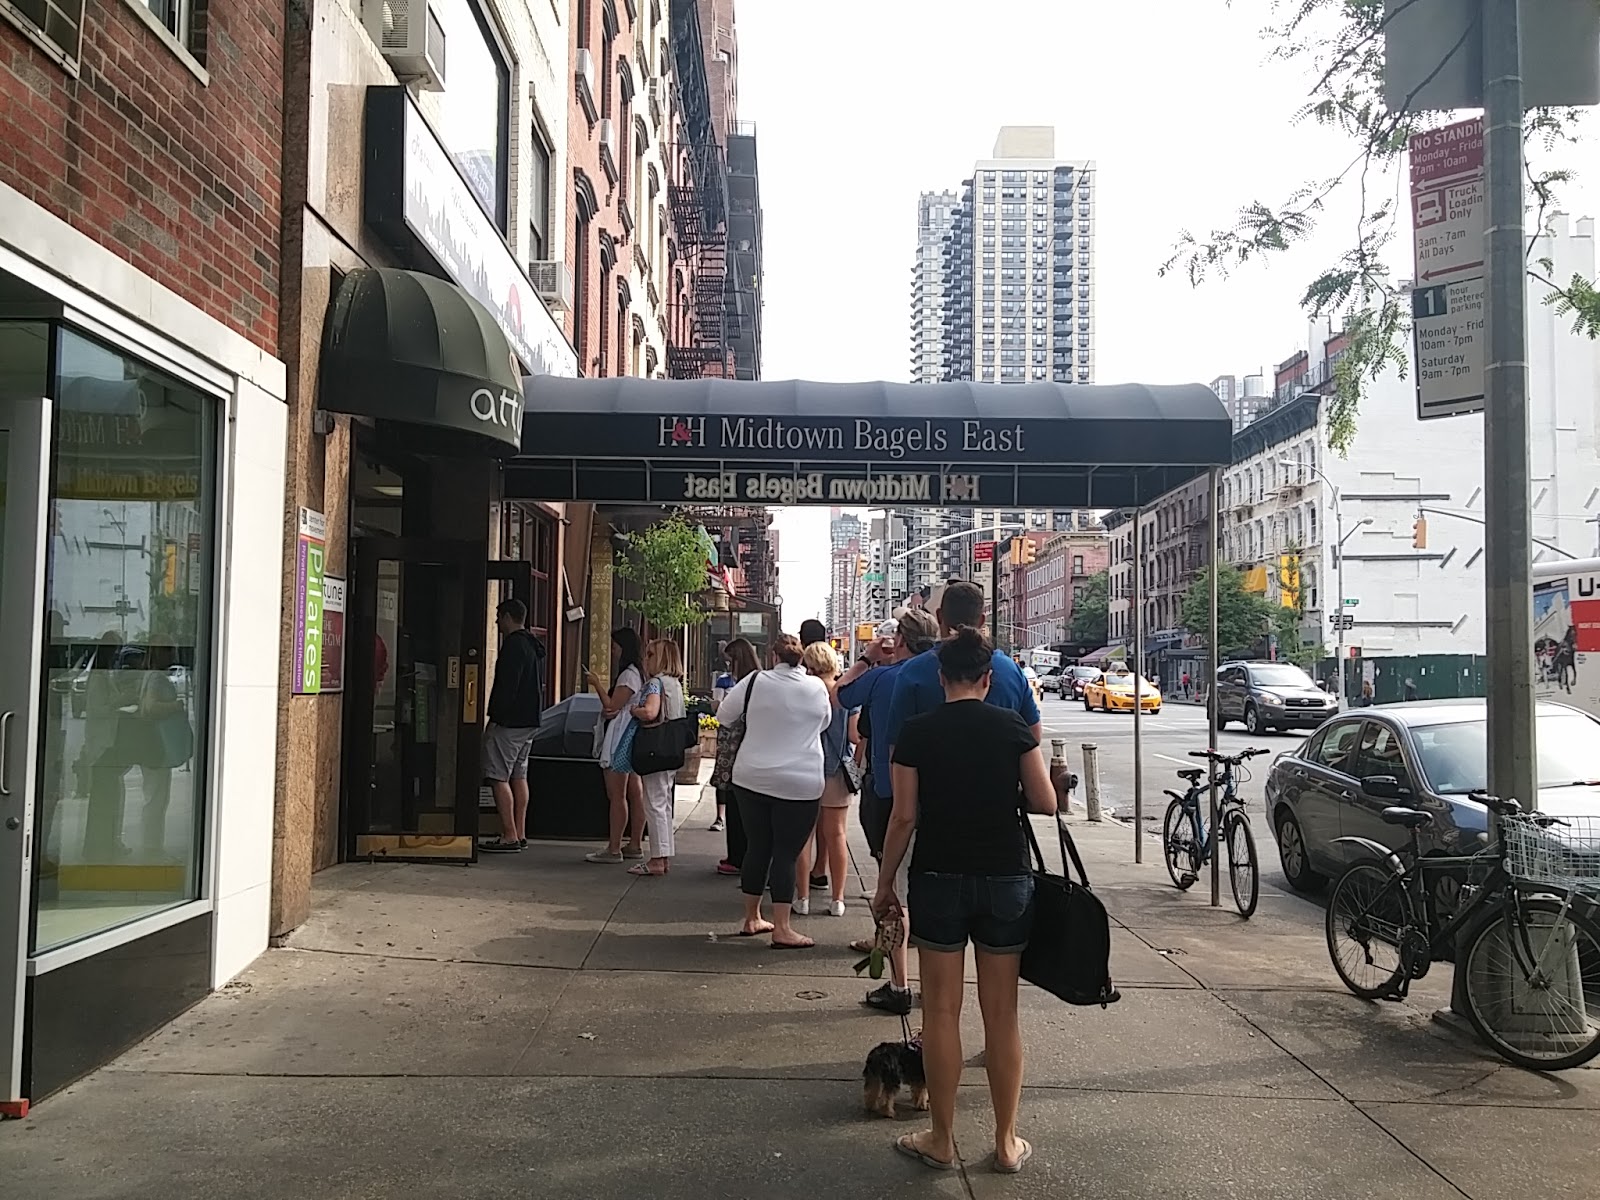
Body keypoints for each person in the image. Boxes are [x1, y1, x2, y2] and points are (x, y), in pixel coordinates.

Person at [874, 625, 1057, 1175]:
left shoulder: (917, 733)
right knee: (1002, 1015)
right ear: (986, 678)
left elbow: (903, 817)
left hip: (937, 877)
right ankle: (1005, 1143)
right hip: (1005, 877)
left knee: (943, 1012)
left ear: (940, 676)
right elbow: (1045, 802)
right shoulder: (1013, 727)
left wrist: (885, 885)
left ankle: (941, 1137)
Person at [835, 609, 939, 1014]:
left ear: (901, 641)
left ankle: (898, 984)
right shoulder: (947, 675)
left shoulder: (883, 677)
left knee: (892, 891)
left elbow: (842, 693)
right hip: (941, 797)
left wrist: (867, 657)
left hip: (889, 794)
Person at [716, 634, 831, 949]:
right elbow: (823, 724)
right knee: (785, 853)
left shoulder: (753, 682)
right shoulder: (816, 687)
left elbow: (724, 716)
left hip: (752, 777)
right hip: (800, 782)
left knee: (758, 847)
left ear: (772, 658)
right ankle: (782, 927)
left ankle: (752, 918)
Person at [479, 598, 548, 853]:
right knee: (519, 775)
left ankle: (508, 834)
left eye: (499, 616)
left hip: (510, 722)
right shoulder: (532, 645)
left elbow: (507, 687)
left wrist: (495, 717)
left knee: (498, 775)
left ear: (509, 617)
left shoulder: (513, 646)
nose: (497, 621)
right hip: (529, 721)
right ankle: (520, 831)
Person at [794, 640, 853, 918]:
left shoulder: (804, 692)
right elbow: (854, 735)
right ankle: (837, 900)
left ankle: (802, 897)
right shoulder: (846, 694)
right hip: (837, 771)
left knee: (802, 834)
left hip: (805, 767)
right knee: (837, 834)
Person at [585, 628, 648, 863]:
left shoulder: (628, 676)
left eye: (614, 647)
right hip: (630, 733)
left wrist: (596, 684)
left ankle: (614, 848)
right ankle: (634, 844)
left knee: (617, 793)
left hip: (621, 736)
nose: (612, 652)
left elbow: (612, 705)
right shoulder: (638, 674)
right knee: (634, 792)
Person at [627, 639, 687, 877]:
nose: (646, 658)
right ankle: (663, 856)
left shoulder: (654, 683)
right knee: (664, 803)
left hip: (654, 749)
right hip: (671, 749)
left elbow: (651, 712)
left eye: (651, 654)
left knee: (654, 804)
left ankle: (657, 859)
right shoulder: (674, 685)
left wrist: (635, 710)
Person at [716, 637, 761, 876]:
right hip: (751, 749)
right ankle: (741, 855)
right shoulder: (761, 680)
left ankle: (737, 856)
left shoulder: (745, 684)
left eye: (729, 661)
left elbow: (724, 714)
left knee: (736, 803)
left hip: (737, 749)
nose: (727, 666)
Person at [798, 618, 832, 895]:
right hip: (833, 762)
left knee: (803, 827)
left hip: (807, 758)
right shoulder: (839, 686)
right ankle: (821, 871)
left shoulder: (805, 685)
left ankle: (802, 887)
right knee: (832, 827)